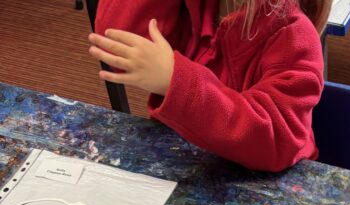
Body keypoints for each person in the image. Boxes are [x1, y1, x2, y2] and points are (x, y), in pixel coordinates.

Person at [87, 0, 329, 171]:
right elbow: (117, 40)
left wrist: (177, 81)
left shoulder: (294, 36)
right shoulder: (195, 8)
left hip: (269, 186)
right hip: (192, 167)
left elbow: (275, 139)